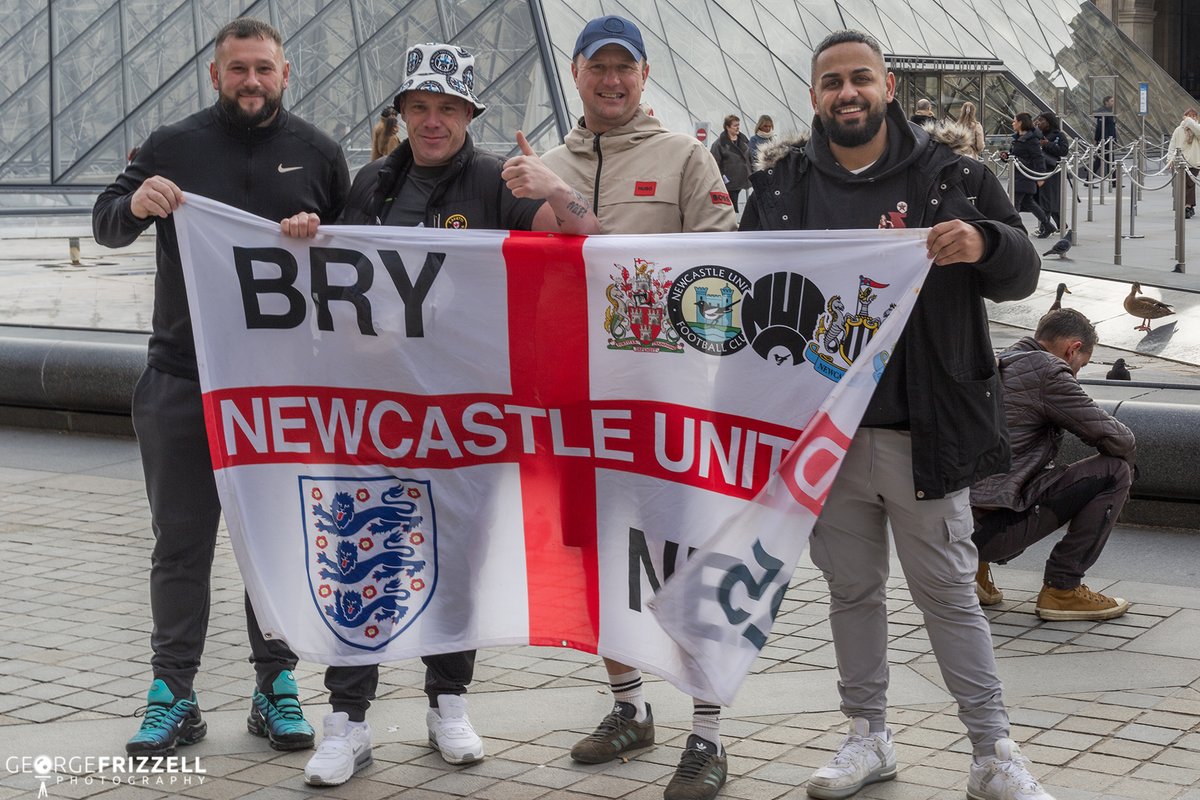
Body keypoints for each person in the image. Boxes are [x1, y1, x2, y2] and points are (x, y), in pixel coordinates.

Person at [741, 29, 1054, 800]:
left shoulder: (956, 175)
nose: (846, 94)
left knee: (946, 591)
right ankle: (866, 737)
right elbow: (748, 298)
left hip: (927, 429)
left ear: (886, 86)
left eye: (860, 79)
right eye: (831, 83)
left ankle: (993, 752)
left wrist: (982, 239)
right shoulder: (780, 188)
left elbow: (1023, 270)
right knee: (850, 591)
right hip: (826, 437)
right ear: (813, 96)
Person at [279, 41, 599, 787]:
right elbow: (333, 278)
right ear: (402, 112)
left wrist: (553, 186)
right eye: (419, 107)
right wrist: (302, 237)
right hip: (374, 410)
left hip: (463, 413)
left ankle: (448, 701)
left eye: (446, 109)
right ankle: (348, 720)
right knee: (360, 553)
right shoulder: (370, 184)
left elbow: (584, 237)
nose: (431, 121)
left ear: (467, 115)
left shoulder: (497, 180)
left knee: (457, 558)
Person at [92, 17, 349, 758]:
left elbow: (361, 259)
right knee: (180, 545)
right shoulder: (172, 145)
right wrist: (137, 205)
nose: (251, 82)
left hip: (279, 390)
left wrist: (320, 232)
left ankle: (277, 686)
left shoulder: (318, 155)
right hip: (182, 380)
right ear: (215, 75)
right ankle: (173, 693)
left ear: (286, 73)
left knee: (273, 545)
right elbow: (107, 223)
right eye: (237, 69)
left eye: (263, 69)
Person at [539, 14, 736, 800]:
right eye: (598, 68)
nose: (612, 81)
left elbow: (721, 266)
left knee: (684, 572)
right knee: (597, 568)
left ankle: (709, 736)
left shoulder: (686, 157)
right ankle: (629, 708)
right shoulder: (545, 163)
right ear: (578, 73)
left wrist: (587, 231)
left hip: (666, 409)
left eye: (625, 68)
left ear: (644, 74)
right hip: (578, 408)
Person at [971, 309, 1135, 621]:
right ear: (1073, 348)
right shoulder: (1047, 369)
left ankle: (972, 569)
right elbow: (1118, 438)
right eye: (1081, 365)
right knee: (1116, 470)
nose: (1076, 374)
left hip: (950, 524)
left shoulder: (1000, 360)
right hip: (988, 531)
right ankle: (1062, 589)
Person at [1009, 112, 1055, 237]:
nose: (1012, 123)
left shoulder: (1031, 140)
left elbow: (1038, 158)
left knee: (1014, 203)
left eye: (1014, 121)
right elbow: (1016, 155)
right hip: (1020, 174)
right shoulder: (1018, 137)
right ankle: (1047, 225)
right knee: (1028, 202)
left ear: (1020, 123)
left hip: (1024, 176)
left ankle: (1016, 229)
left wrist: (1040, 176)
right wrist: (1006, 156)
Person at [1034, 111, 1071, 233]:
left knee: (1047, 199)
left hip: (1053, 170)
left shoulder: (1059, 135)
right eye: (1038, 120)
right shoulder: (1037, 134)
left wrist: (1048, 144)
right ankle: (1061, 224)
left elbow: (1064, 151)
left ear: (1049, 122)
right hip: (1040, 169)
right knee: (1048, 198)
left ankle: (1044, 227)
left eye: (1042, 120)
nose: (1039, 122)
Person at [710, 114, 753, 211]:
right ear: (727, 127)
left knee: (746, 207)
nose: (738, 127)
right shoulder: (719, 144)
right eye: (735, 125)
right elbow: (714, 164)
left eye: (738, 125)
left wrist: (753, 173)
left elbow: (751, 159)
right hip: (731, 183)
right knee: (732, 208)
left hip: (746, 180)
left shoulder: (744, 141)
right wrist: (724, 179)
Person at [1167, 107, 1200, 218]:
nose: (1192, 118)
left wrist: (1190, 122)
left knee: (1189, 184)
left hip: (1194, 162)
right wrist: (1169, 159)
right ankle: (1187, 206)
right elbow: (1172, 145)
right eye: (1190, 116)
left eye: (1194, 116)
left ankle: (1187, 206)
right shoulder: (1179, 130)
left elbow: (1198, 130)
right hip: (1180, 161)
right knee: (1182, 185)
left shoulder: (1197, 130)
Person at [1093, 95, 1117, 187]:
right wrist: (1096, 138)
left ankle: (1114, 182)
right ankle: (1114, 182)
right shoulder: (1103, 112)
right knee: (1106, 160)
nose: (1113, 103)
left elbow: (1111, 128)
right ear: (1106, 102)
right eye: (1111, 101)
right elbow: (1099, 127)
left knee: (1108, 160)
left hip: (1108, 139)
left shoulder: (1109, 112)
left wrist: (1115, 140)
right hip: (1104, 140)